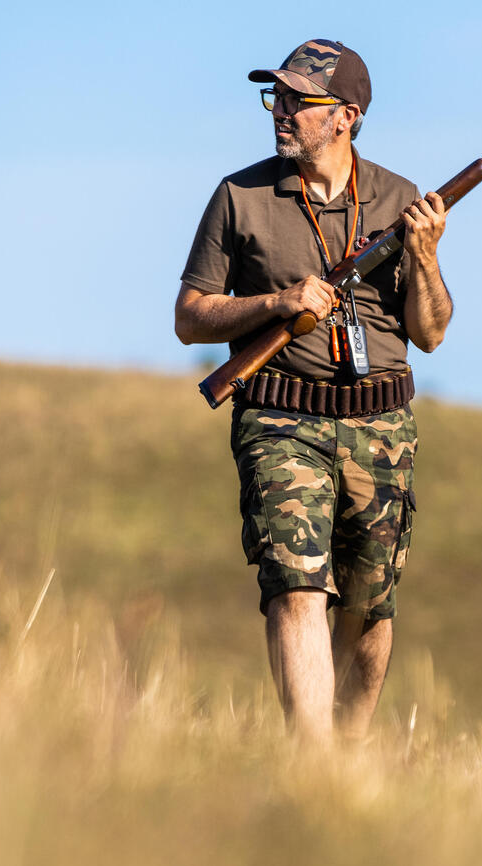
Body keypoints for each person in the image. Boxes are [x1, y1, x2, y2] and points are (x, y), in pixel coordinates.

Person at [175, 39, 452, 744]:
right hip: (280, 417)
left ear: (347, 116)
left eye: (301, 100)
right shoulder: (239, 197)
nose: (283, 111)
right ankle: (313, 766)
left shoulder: (400, 198)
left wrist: (424, 256)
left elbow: (432, 332)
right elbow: (190, 317)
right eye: (279, 97)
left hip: (381, 426)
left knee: (368, 608)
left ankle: (350, 757)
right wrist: (277, 303)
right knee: (295, 589)